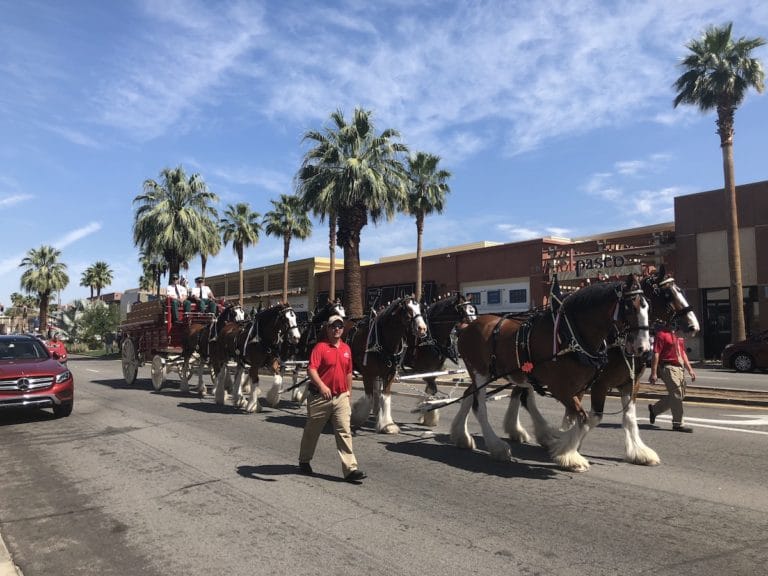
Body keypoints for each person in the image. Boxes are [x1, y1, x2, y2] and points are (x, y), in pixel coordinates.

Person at [298, 314, 366, 483]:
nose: (337, 329)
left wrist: (348, 393)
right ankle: (304, 460)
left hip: (341, 397)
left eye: (340, 326)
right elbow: (311, 370)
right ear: (327, 329)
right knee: (312, 432)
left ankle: (350, 469)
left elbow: (349, 373)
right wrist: (322, 386)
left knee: (345, 432)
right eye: (333, 326)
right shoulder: (320, 348)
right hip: (320, 398)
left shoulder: (346, 349)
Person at [648, 322, 696, 432]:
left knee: (679, 395)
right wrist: (654, 373)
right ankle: (678, 424)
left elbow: (683, 353)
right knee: (677, 394)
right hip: (668, 367)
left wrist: (690, 369)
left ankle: (654, 410)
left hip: (680, 367)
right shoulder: (661, 334)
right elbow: (656, 353)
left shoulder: (679, 336)